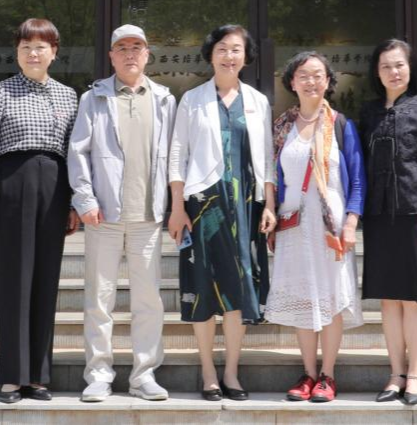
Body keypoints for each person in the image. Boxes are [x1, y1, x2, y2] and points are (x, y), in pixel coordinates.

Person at [0, 18, 79, 404]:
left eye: (40, 46)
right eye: (25, 47)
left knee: (46, 280)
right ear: (16, 53)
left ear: (54, 52)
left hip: (54, 188)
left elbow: (74, 154)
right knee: (13, 281)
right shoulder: (0, 92)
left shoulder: (69, 96)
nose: (33, 53)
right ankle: (12, 378)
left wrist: (73, 202)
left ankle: (38, 377)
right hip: (12, 186)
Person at [68, 24, 177, 403]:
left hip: (148, 216)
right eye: (122, 48)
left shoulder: (164, 99)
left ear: (147, 54)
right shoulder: (94, 98)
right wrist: (85, 200)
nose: (130, 54)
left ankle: (144, 375)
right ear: (111, 56)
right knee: (99, 301)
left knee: (149, 301)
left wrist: (173, 205)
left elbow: (174, 155)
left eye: (137, 47)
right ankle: (99, 374)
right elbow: (78, 151)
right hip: (104, 216)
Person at [167, 25, 275, 401]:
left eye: (236, 49)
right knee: (202, 287)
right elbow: (177, 155)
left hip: (244, 208)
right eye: (222, 49)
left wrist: (270, 205)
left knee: (238, 290)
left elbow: (266, 159)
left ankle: (231, 371)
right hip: (202, 207)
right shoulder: (192, 99)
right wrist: (176, 207)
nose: (229, 56)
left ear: (246, 56)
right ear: (211, 55)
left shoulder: (257, 101)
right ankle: (208, 371)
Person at [267, 51, 366, 403]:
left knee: (331, 298)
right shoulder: (282, 127)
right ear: (292, 82)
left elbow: (358, 179)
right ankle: (308, 373)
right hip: (293, 224)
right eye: (303, 75)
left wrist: (351, 222)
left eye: (317, 75)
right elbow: (272, 178)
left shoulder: (341, 125)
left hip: (331, 226)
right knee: (302, 298)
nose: (311, 81)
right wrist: (270, 214)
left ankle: (328, 374)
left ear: (328, 81)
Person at [357, 38, 417, 406]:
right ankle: (395, 373)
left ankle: (415, 375)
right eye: (386, 66)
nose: (393, 72)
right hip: (379, 216)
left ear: (411, 68)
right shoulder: (368, 112)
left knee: (413, 300)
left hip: (416, 213)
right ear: (376, 73)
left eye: (399, 65)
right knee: (389, 300)